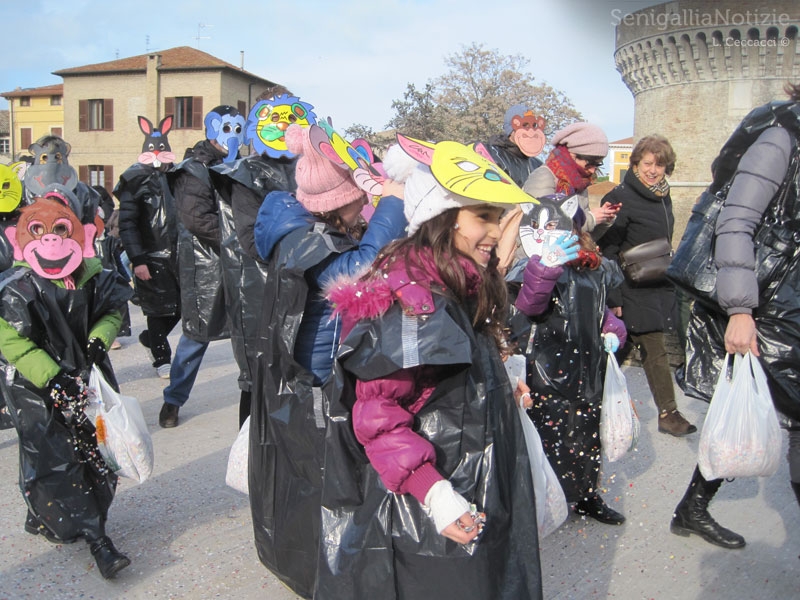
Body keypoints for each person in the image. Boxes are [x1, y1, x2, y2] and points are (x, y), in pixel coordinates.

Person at [315, 134, 542, 599]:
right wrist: (434, 493)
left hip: (469, 478)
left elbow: (452, 370)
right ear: (443, 217)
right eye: (483, 215)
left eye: (497, 217)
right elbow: (377, 416)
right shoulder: (413, 304)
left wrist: (498, 384)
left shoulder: (458, 281)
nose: (497, 232)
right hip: (431, 497)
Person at [247, 122, 406, 597]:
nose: (366, 204)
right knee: (326, 494)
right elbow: (362, 268)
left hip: (309, 386)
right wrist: (394, 202)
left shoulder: (297, 228)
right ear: (339, 202)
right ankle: (330, 580)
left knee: (318, 492)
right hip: (316, 392)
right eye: (360, 197)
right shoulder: (309, 244)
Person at [670, 83, 800, 549]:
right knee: (766, 410)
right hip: (770, 307)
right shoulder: (783, 134)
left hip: (792, 304)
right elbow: (737, 221)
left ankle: (692, 507)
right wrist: (740, 310)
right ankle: (693, 506)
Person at [0, 195, 133, 578]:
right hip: (36, 385)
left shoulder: (94, 275)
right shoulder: (14, 288)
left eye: (60, 229)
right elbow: (11, 342)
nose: (52, 241)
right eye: (40, 231)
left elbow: (112, 311)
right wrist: (51, 375)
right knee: (53, 456)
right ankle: (98, 541)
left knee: (96, 451)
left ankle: (53, 513)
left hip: (88, 376)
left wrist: (98, 339)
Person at [512, 193, 628, 525]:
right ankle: (550, 497)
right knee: (552, 435)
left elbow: (601, 311)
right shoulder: (531, 268)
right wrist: (545, 268)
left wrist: (614, 331)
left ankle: (586, 495)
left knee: (587, 435)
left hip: (589, 368)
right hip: (547, 369)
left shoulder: (592, 268)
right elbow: (529, 307)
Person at [211, 86, 315, 426]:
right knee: (258, 382)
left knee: (303, 380)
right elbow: (252, 240)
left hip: (309, 291)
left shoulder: (313, 166)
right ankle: (251, 463)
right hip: (261, 293)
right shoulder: (247, 174)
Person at [598, 135, 696, 437]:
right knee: (647, 348)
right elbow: (605, 250)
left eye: (660, 164)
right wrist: (613, 295)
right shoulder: (621, 197)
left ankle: (664, 413)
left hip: (655, 283)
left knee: (623, 349)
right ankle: (668, 412)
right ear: (636, 163)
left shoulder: (662, 196)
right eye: (648, 164)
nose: (654, 170)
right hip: (628, 287)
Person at [159, 106, 245, 428]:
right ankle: (173, 400)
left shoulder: (239, 166)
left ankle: (251, 400)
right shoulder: (193, 170)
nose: (233, 137)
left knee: (245, 332)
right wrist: (239, 238)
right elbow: (197, 219)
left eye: (239, 129)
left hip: (237, 264)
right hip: (205, 266)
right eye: (227, 129)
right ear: (212, 129)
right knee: (195, 337)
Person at [116, 116, 180, 377]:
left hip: (177, 255)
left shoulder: (176, 176)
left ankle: (151, 338)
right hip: (149, 256)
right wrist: (138, 259)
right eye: (153, 148)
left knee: (181, 308)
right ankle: (161, 358)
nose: (157, 153)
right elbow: (127, 224)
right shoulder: (134, 180)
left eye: (161, 148)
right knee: (156, 308)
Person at [524, 121, 618, 239]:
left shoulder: (579, 184)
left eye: (598, 165)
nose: (593, 170)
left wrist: (604, 220)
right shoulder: (544, 177)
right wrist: (591, 219)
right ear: (572, 155)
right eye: (590, 163)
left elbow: (585, 238)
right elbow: (541, 228)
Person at [484, 103, 546, 186]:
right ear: (511, 128)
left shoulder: (538, 165)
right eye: (524, 125)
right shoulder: (493, 155)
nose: (530, 131)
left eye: (534, 125)